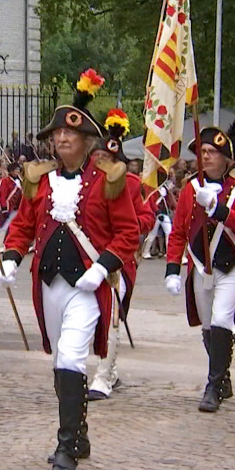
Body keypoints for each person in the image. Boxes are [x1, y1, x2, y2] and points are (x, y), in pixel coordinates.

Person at [0, 69, 139, 470]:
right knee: (62, 361)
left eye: (69, 135)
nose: (61, 140)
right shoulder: (39, 181)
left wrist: (102, 267)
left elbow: (128, 232)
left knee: (74, 357)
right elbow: (23, 225)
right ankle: (78, 433)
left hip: (88, 287)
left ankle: (65, 446)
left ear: (87, 142)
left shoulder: (109, 181)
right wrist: (10, 257)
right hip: (49, 286)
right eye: (56, 135)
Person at [165, 111, 235, 414]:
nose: (204, 157)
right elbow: (179, 230)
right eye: (202, 152)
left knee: (221, 321)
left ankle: (213, 385)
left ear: (226, 158)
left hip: (230, 266)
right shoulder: (191, 187)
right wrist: (171, 270)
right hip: (200, 266)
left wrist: (217, 208)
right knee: (208, 328)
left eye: (211, 152)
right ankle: (224, 376)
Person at [87, 109, 155, 401]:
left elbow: (146, 218)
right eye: (98, 157)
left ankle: (102, 377)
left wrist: (127, 225)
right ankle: (109, 370)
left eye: (108, 159)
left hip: (119, 262)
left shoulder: (131, 184)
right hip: (86, 259)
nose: (102, 163)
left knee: (111, 314)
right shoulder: (84, 184)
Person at [0, 162, 22, 242]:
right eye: (16, 170)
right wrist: (4, 208)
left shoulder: (19, 181)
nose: (18, 171)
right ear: (11, 171)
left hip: (17, 208)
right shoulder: (5, 181)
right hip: (9, 208)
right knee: (4, 226)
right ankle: (0, 244)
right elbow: (3, 195)